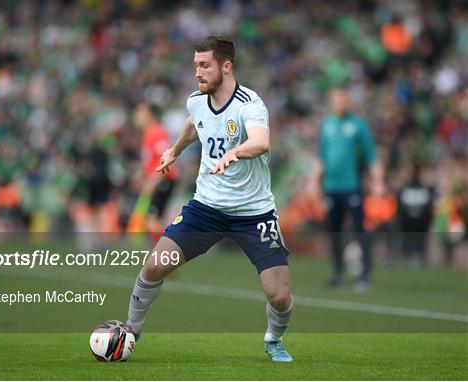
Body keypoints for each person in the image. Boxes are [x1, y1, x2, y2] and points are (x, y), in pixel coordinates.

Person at [125, 35, 294, 362]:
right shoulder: (196, 100)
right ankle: (131, 329)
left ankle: (274, 339)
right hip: (207, 208)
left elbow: (261, 142)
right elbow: (194, 125)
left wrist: (236, 152)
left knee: (279, 295)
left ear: (226, 66)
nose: (197, 73)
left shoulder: (250, 104)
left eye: (204, 66)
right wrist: (174, 150)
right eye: (195, 66)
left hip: (254, 214)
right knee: (155, 266)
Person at [308, 87, 384, 290]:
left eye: (342, 98)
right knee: (334, 230)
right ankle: (338, 274)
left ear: (347, 100)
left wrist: (377, 181)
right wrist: (313, 182)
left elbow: (371, 156)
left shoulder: (358, 125)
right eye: (336, 99)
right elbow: (321, 157)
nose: (339, 102)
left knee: (360, 229)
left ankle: (365, 275)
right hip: (331, 187)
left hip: (352, 186)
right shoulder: (326, 125)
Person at [129, 102, 179, 234]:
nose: (136, 116)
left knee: (152, 220)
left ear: (150, 115)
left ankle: (167, 248)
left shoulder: (156, 132)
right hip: (158, 181)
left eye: (140, 112)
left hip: (163, 180)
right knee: (151, 220)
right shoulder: (148, 134)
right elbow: (151, 161)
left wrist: (153, 181)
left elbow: (166, 159)